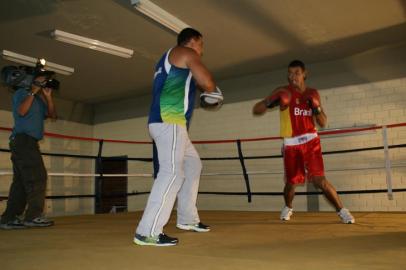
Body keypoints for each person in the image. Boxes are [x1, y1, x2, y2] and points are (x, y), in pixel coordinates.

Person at [134, 28, 222, 246]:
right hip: (169, 122)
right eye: (201, 45)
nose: (201, 51)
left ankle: (187, 219)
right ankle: (148, 231)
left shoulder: (169, 58)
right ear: (193, 42)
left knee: (193, 165)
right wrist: (213, 92)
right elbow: (208, 83)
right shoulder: (185, 52)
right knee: (172, 173)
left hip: (170, 123)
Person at [253, 60, 355, 224]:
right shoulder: (283, 91)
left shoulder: (313, 93)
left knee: (320, 181)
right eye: (290, 73)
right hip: (291, 144)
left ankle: (342, 210)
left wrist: (316, 108)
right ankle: (288, 206)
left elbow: (322, 122)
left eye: (296, 73)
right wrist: (269, 101)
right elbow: (256, 110)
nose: (292, 77)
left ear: (304, 74)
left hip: (311, 142)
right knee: (291, 184)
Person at [0, 71, 57, 229]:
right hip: (23, 141)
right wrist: (33, 90)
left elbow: (52, 115)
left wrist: (48, 96)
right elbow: (22, 111)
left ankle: (9, 218)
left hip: (27, 143)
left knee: (20, 183)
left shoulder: (38, 99)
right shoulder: (21, 93)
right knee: (37, 177)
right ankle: (33, 216)